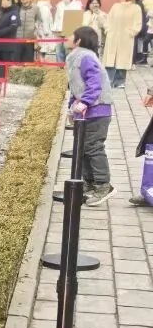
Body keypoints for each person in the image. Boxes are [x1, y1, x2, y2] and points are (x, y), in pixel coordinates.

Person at [67, 24, 114, 206]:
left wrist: (84, 102)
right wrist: (72, 108)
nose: (68, 38)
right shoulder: (78, 57)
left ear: (78, 40)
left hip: (97, 111)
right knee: (84, 149)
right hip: (87, 112)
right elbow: (77, 87)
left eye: (71, 35)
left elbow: (95, 83)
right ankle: (89, 183)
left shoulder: (85, 57)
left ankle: (103, 186)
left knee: (93, 148)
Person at [103, 0, 144, 88]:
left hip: (126, 39)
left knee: (123, 60)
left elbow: (138, 24)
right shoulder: (115, 6)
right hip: (112, 36)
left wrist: (130, 33)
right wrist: (108, 30)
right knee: (110, 59)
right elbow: (108, 19)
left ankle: (120, 81)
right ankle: (108, 80)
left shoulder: (136, 8)